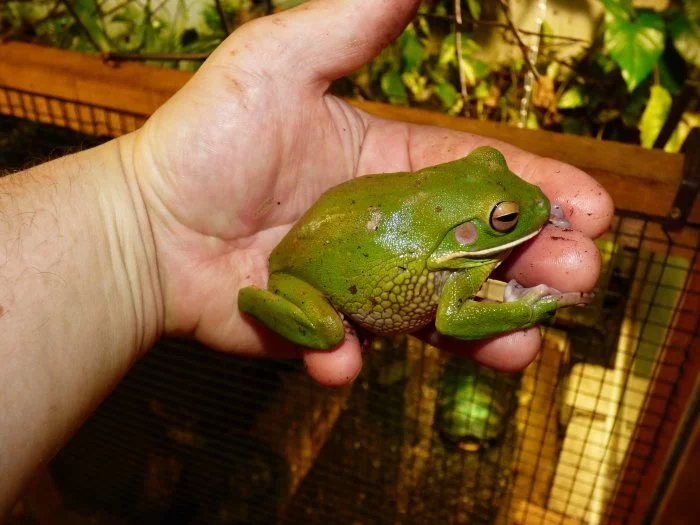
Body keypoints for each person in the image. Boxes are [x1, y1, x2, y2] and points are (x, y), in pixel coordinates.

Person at [0, 0, 613, 515]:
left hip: (337, 220)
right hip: (313, 277)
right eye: (504, 220)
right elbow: (453, 318)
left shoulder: (460, 236)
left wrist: (136, 223)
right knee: (325, 331)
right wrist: (527, 305)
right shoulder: (459, 270)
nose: (520, 210)